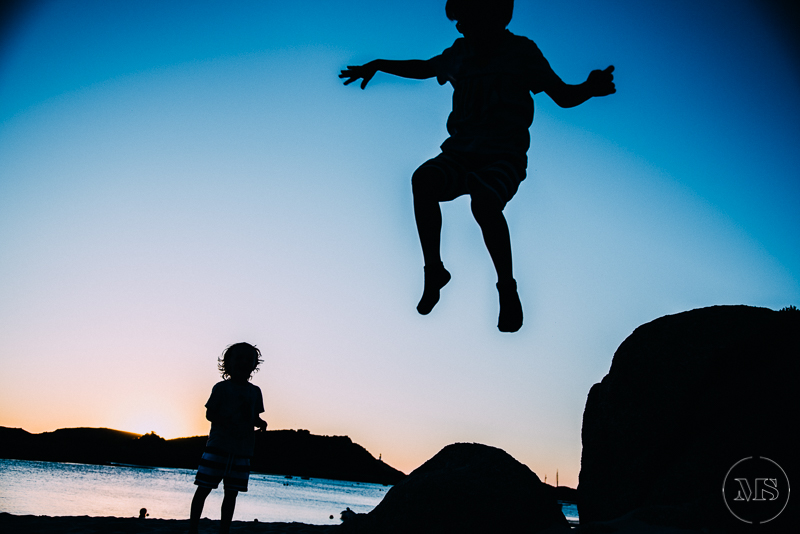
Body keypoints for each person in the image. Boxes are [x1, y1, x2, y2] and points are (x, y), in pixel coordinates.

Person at [340, 0, 615, 332]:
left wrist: (590, 88)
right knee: (424, 180)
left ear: (492, 16)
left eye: (465, 19)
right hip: (460, 152)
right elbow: (425, 67)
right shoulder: (460, 52)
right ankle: (435, 271)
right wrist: (380, 64)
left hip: (503, 155)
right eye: (458, 21)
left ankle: (507, 288)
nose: (459, 27)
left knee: (484, 202)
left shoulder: (520, 52)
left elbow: (563, 96)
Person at [189, 342, 267, 534]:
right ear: (228, 363)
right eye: (239, 358)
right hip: (218, 448)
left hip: (242, 451)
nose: (243, 362)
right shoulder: (222, 388)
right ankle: (193, 529)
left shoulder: (255, 391)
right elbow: (210, 414)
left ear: (254, 365)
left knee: (231, 494)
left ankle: (224, 530)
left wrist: (261, 423)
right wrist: (228, 423)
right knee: (203, 489)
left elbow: (253, 416)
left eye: (249, 359)